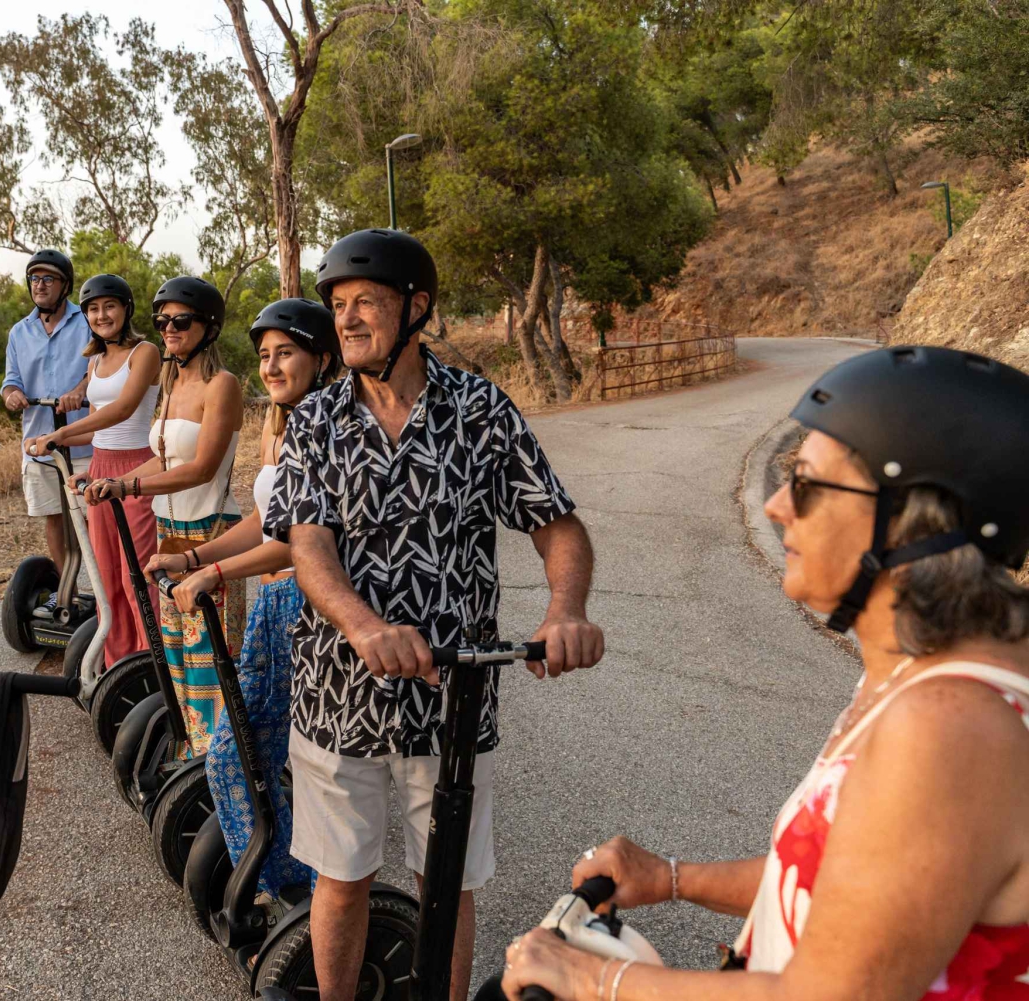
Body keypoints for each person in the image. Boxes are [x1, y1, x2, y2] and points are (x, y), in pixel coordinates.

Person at [497, 346, 1029, 1001]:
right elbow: (851, 888)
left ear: (914, 524)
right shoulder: (916, 678)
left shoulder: (951, 726)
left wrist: (594, 977)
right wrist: (670, 878)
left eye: (805, 483)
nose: (777, 505)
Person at [265, 228, 605, 1001]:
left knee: (445, 882)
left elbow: (557, 525)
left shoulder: (480, 410)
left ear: (416, 308)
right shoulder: (315, 420)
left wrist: (566, 608)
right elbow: (308, 545)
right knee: (341, 877)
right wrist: (364, 626)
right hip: (338, 694)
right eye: (338, 306)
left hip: (454, 697)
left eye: (366, 302)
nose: (348, 319)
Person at [150, 298, 339, 896]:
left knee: (299, 763)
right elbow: (266, 520)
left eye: (286, 353)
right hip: (273, 607)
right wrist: (192, 558)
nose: (272, 367)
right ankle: (287, 886)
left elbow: (300, 542)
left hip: (314, 609)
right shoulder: (279, 423)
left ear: (322, 358)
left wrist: (215, 571)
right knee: (240, 756)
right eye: (264, 355)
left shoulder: (333, 428)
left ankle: (315, 895)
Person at [84, 275, 243, 757]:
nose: (169, 329)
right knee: (175, 651)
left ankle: (222, 761)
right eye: (162, 321)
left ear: (208, 327)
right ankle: (190, 756)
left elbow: (201, 468)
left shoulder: (222, 385)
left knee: (210, 656)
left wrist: (129, 486)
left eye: (181, 321)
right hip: (170, 530)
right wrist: (112, 482)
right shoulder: (172, 382)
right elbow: (163, 458)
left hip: (210, 529)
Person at [25, 273, 162, 669]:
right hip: (102, 466)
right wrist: (61, 447)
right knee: (107, 576)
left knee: (137, 574)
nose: (101, 315)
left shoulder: (145, 352)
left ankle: (152, 665)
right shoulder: (96, 359)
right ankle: (119, 665)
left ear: (126, 309)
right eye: (93, 309)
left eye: (109, 306)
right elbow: (99, 423)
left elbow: (123, 409)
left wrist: (60, 434)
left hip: (136, 467)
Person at [2, 248, 92, 597]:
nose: (39, 285)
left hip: (84, 442)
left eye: (48, 279)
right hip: (39, 443)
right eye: (34, 279)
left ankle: (104, 593)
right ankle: (69, 592)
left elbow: (100, 367)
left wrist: (80, 390)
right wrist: (12, 395)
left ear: (64, 285)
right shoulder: (19, 332)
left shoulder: (86, 321)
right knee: (54, 518)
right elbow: (11, 381)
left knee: (92, 519)